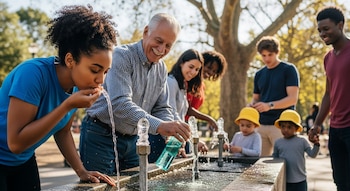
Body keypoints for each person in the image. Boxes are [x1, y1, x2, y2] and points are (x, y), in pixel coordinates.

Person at [0, 5, 118, 190]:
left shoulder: (76, 87)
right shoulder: (32, 74)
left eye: (105, 72)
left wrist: (81, 171)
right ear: (70, 60)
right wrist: (67, 106)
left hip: (23, 161)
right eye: (95, 70)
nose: (100, 79)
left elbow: (62, 132)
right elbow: (15, 143)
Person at [80, 13, 191, 175]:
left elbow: (161, 107)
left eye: (168, 46)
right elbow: (120, 105)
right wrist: (161, 126)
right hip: (100, 134)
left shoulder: (161, 69)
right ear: (146, 32)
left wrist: (170, 132)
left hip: (133, 139)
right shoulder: (121, 56)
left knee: (136, 186)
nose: (161, 50)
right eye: (159, 41)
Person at [309, 6, 350, 190]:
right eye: (319, 30)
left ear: (340, 25)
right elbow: (328, 93)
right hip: (336, 128)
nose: (322, 33)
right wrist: (317, 124)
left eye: (326, 29)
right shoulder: (328, 58)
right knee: (341, 182)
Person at [149, 49, 205, 162]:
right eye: (191, 67)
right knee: (160, 174)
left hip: (176, 136)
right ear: (181, 63)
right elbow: (170, 112)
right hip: (163, 137)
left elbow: (181, 116)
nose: (193, 72)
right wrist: (184, 138)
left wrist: (190, 138)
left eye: (197, 69)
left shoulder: (183, 85)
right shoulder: (171, 82)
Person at [249, 36, 300, 157]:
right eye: (263, 55)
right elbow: (256, 98)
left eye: (270, 54)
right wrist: (252, 105)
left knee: (285, 163)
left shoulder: (289, 69)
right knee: (259, 167)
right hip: (261, 125)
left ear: (277, 52)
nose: (266, 58)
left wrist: (269, 106)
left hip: (283, 126)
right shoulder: (259, 74)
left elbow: (292, 99)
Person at [273, 110, 319, 191]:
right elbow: (275, 159)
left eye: (289, 127)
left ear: (297, 128)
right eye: (283, 126)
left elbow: (312, 154)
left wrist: (316, 144)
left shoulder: (302, 141)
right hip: (285, 180)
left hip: (300, 181)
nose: (286, 130)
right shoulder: (278, 143)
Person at [185, 50, 227, 131]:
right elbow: (186, 109)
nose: (210, 72)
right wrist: (209, 119)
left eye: (214, 71)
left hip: (188, 124)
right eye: (209, 67)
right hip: (177, 123)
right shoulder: (189, 81)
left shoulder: (202, 86)